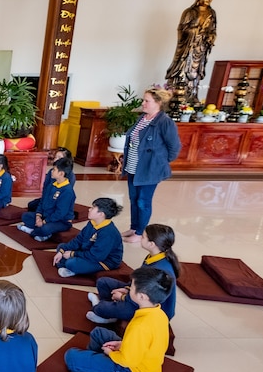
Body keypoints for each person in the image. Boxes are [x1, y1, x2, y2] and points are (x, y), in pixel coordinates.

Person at [64, 266, 173, 372]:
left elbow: (127, 361)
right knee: (98, 332)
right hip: (138, 358)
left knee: (71, 356)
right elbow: (147, 345)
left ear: (142, 296)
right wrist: (122, 345)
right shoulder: (160, 314)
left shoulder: (140, 326)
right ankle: (95, 365)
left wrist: (111, 353)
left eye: (131, 287)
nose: (129, 289)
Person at [87, 223, 180, 324]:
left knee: (101, 307)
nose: (140, 238)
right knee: (103, 282)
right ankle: (112, 309)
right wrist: (127, 289)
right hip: (139, 293)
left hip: (146, 307)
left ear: (151, 244)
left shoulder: (160, 270)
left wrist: (123, 297)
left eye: (143, 237)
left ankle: (105, 312)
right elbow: (139, 283)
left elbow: (145, 299)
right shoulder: (154, 256)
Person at [121, 88, 181, 243]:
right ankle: (134, 227)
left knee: (143, 201)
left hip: (149, 169)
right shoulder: (142, 118)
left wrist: (159, 162)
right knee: (134, 198)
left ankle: (140, 233)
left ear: (158, 103)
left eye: (147, 101)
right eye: (144, 100)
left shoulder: (165, 122)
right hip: (134, 166)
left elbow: (174, 147)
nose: (143, 103)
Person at [165, 0, 217, 103]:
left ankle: (192, 96)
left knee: (196, 73)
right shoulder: (189, 12)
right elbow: (182, 30)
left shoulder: (212, 13)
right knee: (182, 71)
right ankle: (176, 97)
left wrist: (209, 36)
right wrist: (196, 32)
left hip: (200, 49)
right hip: (188, 49)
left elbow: (213, 31)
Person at [53, 197, 124, 278]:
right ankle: (70, 264)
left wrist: (73, 254)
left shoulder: (108, 232)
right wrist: (62, 251)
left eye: (93, 208)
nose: (89, 209)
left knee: (71, 263)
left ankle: (72, 268)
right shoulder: (92, 223)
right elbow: (78, 240)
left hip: (103, 261)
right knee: (61, 247)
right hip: (89, 251)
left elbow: (96, 256)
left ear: (101, 214)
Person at [17, 157, 75, 241]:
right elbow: (42, 202)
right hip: (45, 216)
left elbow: (60, 213)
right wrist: (38, 217)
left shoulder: (67, 191)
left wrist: (44, 222)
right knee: (25, 216)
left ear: (61, 174)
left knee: (45, 228)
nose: (51, 171)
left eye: (54, 170)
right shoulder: (52, 185)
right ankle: (39, 232)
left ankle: (34, 231)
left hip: (61, 221)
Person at [27, 147, 75, 213]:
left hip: (57, 200)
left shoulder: (70, 176)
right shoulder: (51, 172)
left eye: (59, 157)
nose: (56, 159)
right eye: (55, 157)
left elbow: (64, 193)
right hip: (48, 198)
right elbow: (45, 188)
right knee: (32, 205)